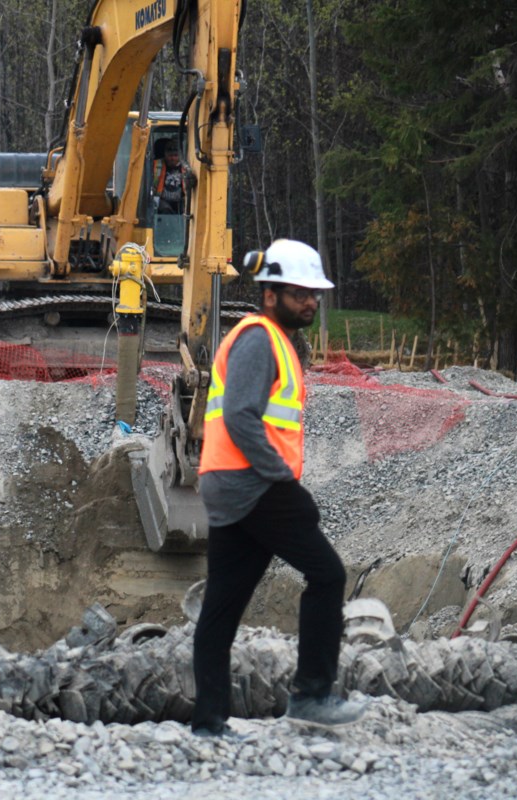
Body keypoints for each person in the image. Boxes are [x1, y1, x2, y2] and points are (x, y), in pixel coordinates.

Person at [190, 238, 365, 736]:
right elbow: (244, 418)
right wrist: (285, 482)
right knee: (328, 574)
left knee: (222, 605)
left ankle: (208, 723)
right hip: (252, 482)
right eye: (300, 293)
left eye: (315, 294)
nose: (311, 302)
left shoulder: (273, 340)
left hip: (228, 483)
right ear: (271, 295)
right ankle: (312, 694)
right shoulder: (259, 340)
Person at [153, 138, 193, 214]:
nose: (172, 158)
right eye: (170, 155)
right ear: (164, 154)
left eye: (175, 155)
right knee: (166, 210)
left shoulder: (186, 166)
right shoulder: (156, 165)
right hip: (162, 200)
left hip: (181, 201)